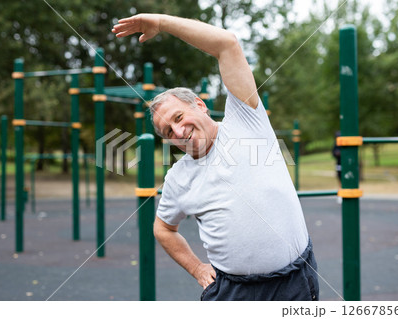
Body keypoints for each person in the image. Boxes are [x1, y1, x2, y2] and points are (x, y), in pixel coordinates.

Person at [112, 14, 319, 301]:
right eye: (167, 130)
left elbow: (227, 44)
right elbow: (163, 228)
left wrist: (161, 23)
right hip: (232, 291)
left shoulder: (245, 120)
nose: (178, 130)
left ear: (200, 105)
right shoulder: (178, 177)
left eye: (179, 116)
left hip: (293, 282)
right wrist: (197, 268)